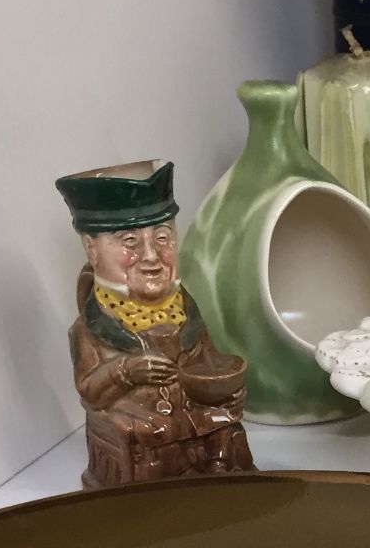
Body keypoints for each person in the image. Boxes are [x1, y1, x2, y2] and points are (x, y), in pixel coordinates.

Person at [53, 160, 255, 487]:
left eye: (162, 237)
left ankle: (222, 480)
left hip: (190, 417)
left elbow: (207, 358)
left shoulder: (184, 307)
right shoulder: (89, 327)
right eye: (130, 242)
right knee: (152, 440)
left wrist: (222, 384)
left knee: (226, 424)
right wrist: (125, 371)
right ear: (92, 249)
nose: (151, 255)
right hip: (141, 427)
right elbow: (90, 392)